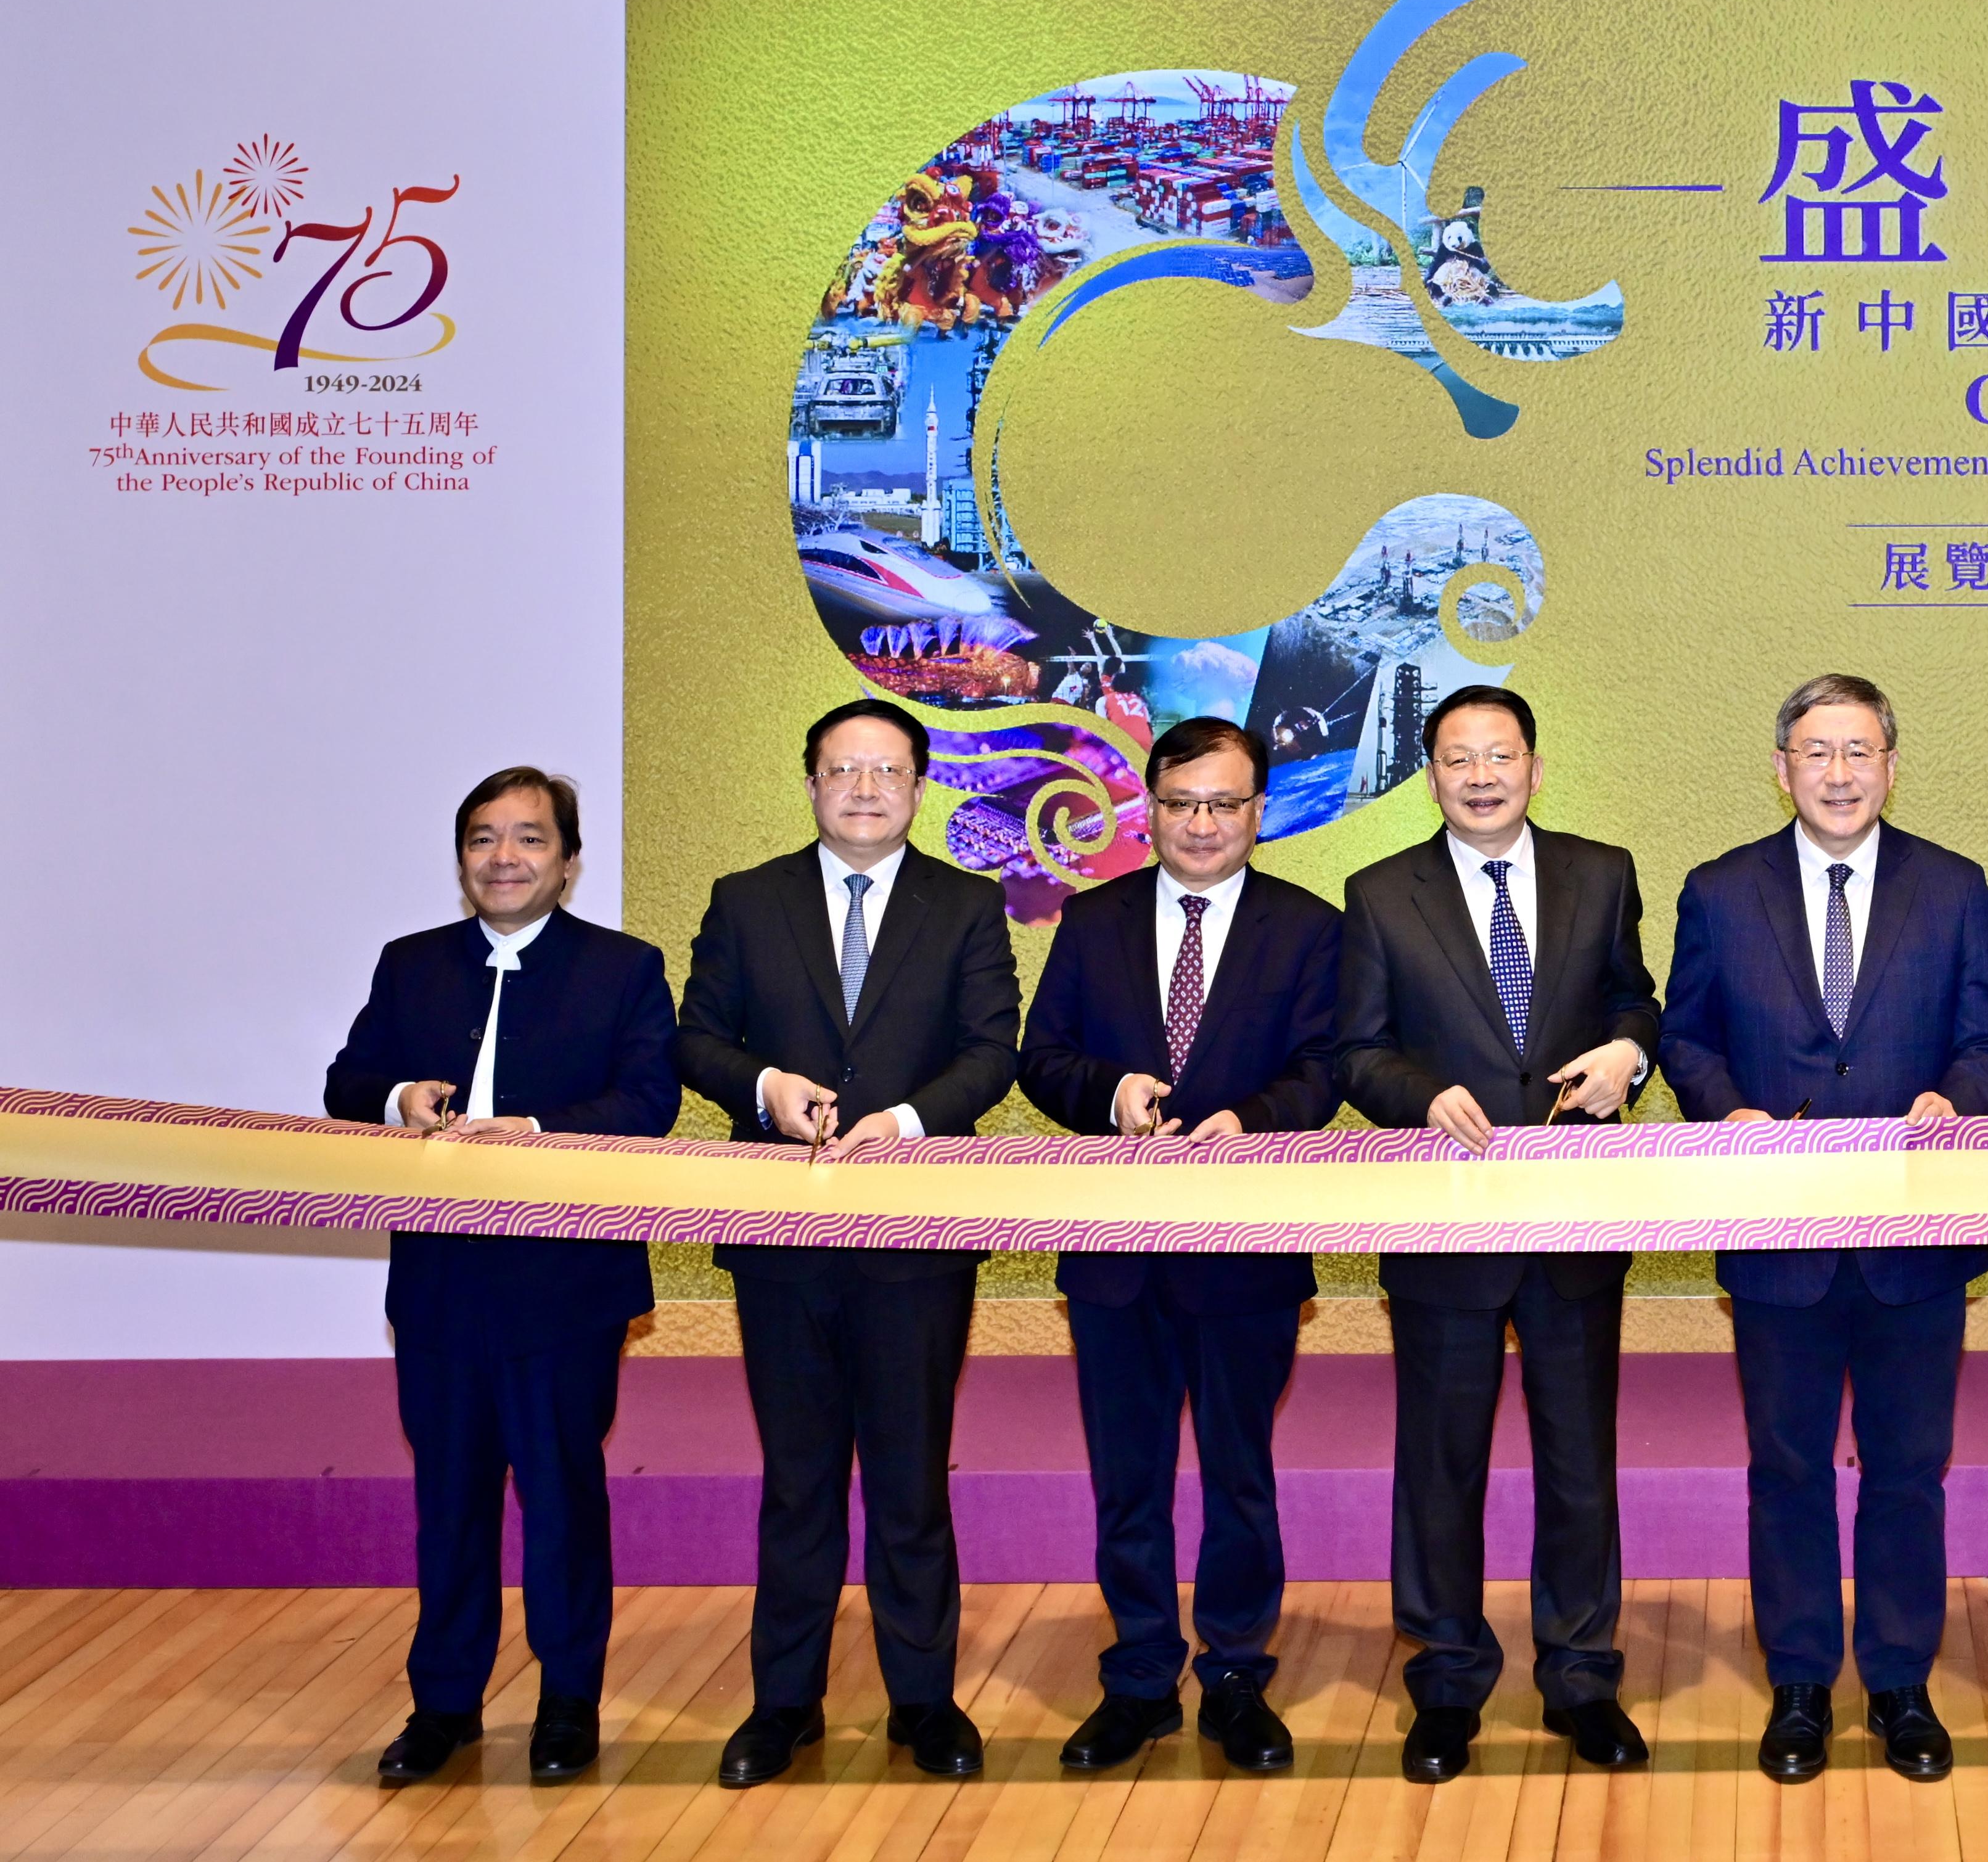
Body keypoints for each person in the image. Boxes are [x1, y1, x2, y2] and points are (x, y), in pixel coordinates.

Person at [1661, 672, 1988, 1785]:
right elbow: (1686, 1037)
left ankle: (1901, 1681)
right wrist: (1729, 1113)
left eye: (1859, 751)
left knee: (1909, 1467)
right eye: (1816, 752)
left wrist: (1958, 1100)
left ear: (1891, 767)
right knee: (1787, 1466)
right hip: (1780, 1237)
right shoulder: (1720, 890)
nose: (1839, 772)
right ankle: (1802, 1681)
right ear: (1781, 770)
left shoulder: (1952, 885)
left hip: (1915, 1238)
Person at [673, 700, 1021, 1787]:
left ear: (919, 786)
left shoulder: (967, 905)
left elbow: (991, 1050)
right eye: (842, 770)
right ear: (811, 783)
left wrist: (909, 1121)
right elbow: (695, 1037)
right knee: (798, 1479)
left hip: (916, 1236)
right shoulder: (747, 899)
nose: (864, 790)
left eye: (887, 772)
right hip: (783, 1236)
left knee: (912, 1480)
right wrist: (765, 1086)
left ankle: (924, 1701)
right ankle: (784, 1704)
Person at [1334, 684, 1666, 1785]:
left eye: (1501, 754)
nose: (1481, 775)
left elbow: (1635, 1000)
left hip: (1573, 1220)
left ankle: (1583, 1677)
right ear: (1430, 775)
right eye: (1458, 758)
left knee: (1580, 1462)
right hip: (1446, 1223)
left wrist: (1628, 1054)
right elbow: (1358, 1050)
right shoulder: (1379, 893)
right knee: (1441, 1464)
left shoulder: (1602, 872)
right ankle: (1446, 1681)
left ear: (1535, 765)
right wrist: (1418, 1096)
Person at [324, 768, 676, 1786]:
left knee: (562, 1498)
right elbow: (346, 1082)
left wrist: (533, 1129)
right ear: (462, 858)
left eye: (529, 838)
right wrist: (399, 1095)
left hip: (566, 1289)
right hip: (440, 1284)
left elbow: (647, 1101)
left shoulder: (623, 967)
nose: (505, 857)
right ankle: (444, 1704)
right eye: (484, 838)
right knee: (450, 1501)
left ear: (568, 861)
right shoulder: (411, 963)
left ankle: (568, 1702)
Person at [1017, 717, 1341, 1776]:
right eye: (1180, 802)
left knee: (1240, 1473)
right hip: (1116, 1253)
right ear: (1148, 809)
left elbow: (1325, 1066)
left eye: (1223, 803)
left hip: (1246, 1249)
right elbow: (1041, 1056)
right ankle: (1141, 1677)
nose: (1201, 823)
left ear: (1258, 812)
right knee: (1130, 1478)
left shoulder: (1309, 927)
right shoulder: (1091, 918)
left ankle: (1237, 1672)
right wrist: (1107, 1091)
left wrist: (1252, 1118)